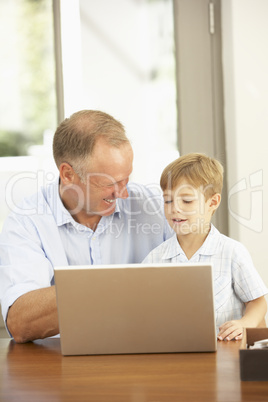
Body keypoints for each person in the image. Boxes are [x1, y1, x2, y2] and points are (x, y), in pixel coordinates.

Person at [0, 110, 172, 343]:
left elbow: (208, 271)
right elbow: (20, 321)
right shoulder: (26, 222)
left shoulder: (154, 208)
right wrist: (117, 287)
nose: (123, 193)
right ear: (68, 174)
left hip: (145, 358)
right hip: (58, 367)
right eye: (109, 183)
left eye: (126, 178)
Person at [142, 152, 268, 341]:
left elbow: (257, 302)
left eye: (186, 201)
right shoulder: (155, 258)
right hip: (176, 353)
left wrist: (243, 324)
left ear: (213, 202)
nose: (174, 208)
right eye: (168, 200)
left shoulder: (232, 252)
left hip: (226, 354)